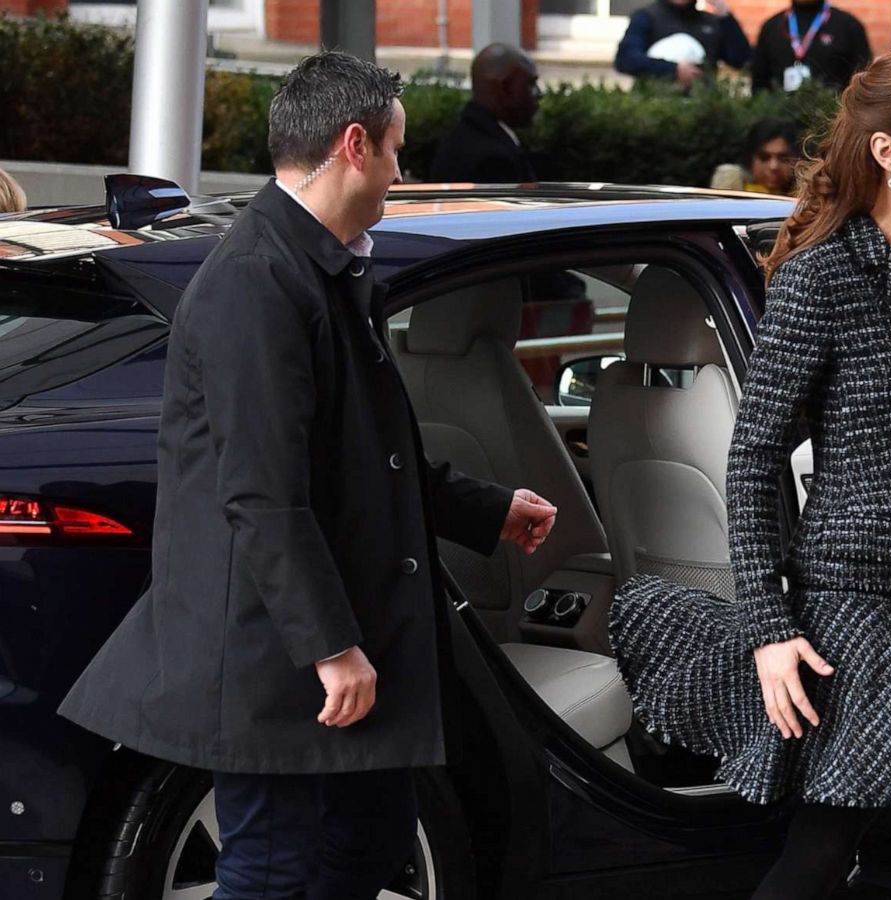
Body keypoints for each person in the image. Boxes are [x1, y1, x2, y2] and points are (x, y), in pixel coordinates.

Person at [56, 52, 559, 897]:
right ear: (355, 145)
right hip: (277, 657)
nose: (402, 173)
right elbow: (261, 492)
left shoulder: (315, 265)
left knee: (367, 844)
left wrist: (488, 508)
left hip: (318, 644)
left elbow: (364, 456)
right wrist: (332, 647)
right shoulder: (259, 283)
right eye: (398, 150)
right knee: (271, 871)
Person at [608, 42, 891, 900]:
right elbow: (754, 455)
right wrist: (768, 628)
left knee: (824, 847)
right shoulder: (823, 279)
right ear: (888, 151)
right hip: (853, 606)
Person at [429, 43, 544, 183]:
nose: (539, 93)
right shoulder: (492, 158)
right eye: (531, 84)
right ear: (505, 88)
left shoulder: (464, 140)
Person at [614, 0, 751, 89]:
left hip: (701, 110)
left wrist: (726, 17)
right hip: (654, 109)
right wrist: (673, 70)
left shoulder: (712, 22)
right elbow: (626, 59)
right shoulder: (646, 17)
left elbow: (742, 60)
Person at [750, 0, 873, 94]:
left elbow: (864, 81)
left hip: (832, 117)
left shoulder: (848, 26)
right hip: (781, 118)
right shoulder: (772, 27)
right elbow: (759, 83)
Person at [711, 117, 801, 194]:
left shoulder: (805, 198)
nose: (773, 166)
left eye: (783, 158)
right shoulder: (733, 186)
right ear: (750, 158)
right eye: (764, 158)